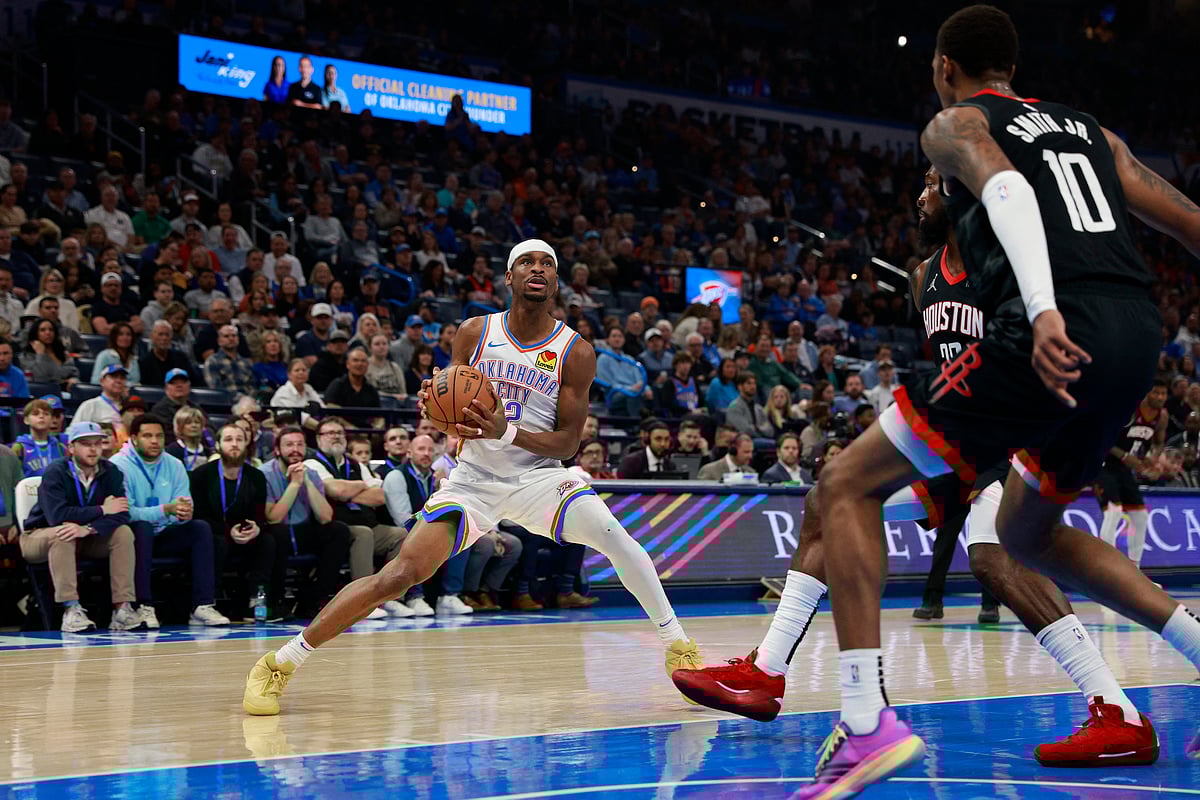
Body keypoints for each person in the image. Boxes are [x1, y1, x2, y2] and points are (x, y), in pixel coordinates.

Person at [766, 9, 1200, 791]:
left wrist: (1040, 309)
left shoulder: (955, 123)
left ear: (942, 66)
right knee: (1027, 529)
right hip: (1138, 332)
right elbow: (1188, 222)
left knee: (844, 484)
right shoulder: (1093, 134)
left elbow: (1004, 188)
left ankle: (864, 723)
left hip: (1050, 329)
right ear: (1013, 63)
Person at [244, 238, 703, 715]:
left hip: (541, 478)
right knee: (399, 574)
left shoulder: (576, 352)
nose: (537, 268)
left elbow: (568, 443)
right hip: (473, 481)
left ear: (556, 279)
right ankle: (279, 663)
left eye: (547, 263)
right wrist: (433, 402)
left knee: (616, 537)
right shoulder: (473, 332)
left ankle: (679, 646)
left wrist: (505, 431)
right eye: (526, 261)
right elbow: (450, 400)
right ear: (508, 277)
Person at [20, 421, 141, 633]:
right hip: (38, 535)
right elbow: (57, 515)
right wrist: (102, 510)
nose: (93, 449)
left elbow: (121, 513)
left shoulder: (111, 471)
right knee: (63, 532)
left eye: (98, 443)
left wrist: (89, 529)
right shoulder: (55, 471)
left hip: (85, 536)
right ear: (71, 448)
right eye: (85, 444)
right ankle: (71, 610)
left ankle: (122, 608)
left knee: (123, 533)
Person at [111, 414, 230, 629]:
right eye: (148, 436)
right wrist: (165, 510)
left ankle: (202, 605)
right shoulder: (118, 466)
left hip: (166, 532)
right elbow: (125, 514)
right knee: (142, 528)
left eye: (159, 436)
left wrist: (183, 513)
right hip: (131, 537)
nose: (155, 441)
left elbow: (184, 504)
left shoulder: (174, 464)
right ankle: (143, 605)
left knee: (200, 528)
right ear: (134, 438)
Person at [306, 417, 412, 618]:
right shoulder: (312, 463)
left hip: (368, 523)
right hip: (335, 528)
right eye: (330, 433)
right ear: (318, 439)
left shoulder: (354, 463)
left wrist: (346, 490)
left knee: (401, 535)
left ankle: (389, 598)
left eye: (339, 433)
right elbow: (334, 490)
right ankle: (363, 603)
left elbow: (380, 495)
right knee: (363, 534)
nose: (336, 436)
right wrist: (361, 485)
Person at [261, 426, 356, 619]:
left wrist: (307, 483)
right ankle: (277, 603)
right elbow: (273, 517)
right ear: (277, 450)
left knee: (338, 531)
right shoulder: (264, 473)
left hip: (304, 531)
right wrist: (295, 484)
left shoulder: (311, 473)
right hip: (276, 535)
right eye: (289, 445)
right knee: (277, 533)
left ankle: (312, 600)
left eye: (299, 444)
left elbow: (325, 517)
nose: (295, 449)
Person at [190, 425, 275, 619]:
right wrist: (228, 531)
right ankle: (210, 603)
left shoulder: (256, 476)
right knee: (216, 542)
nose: (234, 444)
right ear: (218, 445)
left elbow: (260, 514)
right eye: (228, 439)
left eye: (239, 439)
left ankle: (257, 601)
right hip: (216, 532)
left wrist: (256, 527)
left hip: (245, 532)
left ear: (247, 444)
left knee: (267, 540)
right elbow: (199, 515)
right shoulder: (202, 474)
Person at [1096, 381, 1168, 573]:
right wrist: (1126, 457)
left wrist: (1153, 459)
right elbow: (1102, 438)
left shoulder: (1162, 416)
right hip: (1101, 462)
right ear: (1147, 393)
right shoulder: (1131, 410)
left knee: (1141, 516)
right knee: (1114, 512)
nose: (1160, 397)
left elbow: (1158, 442)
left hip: (1123, 468)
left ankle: (1134, 570)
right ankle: (1108, 570)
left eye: (1163, 394)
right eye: (1156, 392)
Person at [12, 398, 65, 477]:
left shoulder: (61, 448)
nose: (41, 416)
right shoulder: (20, 447)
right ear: (26, 420)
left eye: (46, 414)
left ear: (51, 419)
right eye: (36, 414)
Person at [203, 325, 257, 397]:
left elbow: (253, 386)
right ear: (219, 341)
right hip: (225, 403)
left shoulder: (246, 362)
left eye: (234, 336)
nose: (231, 338)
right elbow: (215, 388)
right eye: (226, 336)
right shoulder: (212, 361)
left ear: (238, 339)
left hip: (248, 403)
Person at [270, 358, 323, 429]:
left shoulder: (308, 388)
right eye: (297, 370)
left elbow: (322, 407)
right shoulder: (283, 392)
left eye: (304, 370)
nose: (301, 373)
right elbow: (298, 416)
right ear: (289, 375)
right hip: (287, 428)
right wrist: (322, 427)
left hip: (308, 428)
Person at [73, 364, 129, 430]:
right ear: (102, 381)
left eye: (122, 378)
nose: (119, 381)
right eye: (114, 377)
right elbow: (73, 431)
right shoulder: (90, 405)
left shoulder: (130, 406)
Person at [724, 372, 772, 439]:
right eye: (749, 383)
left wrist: (756, 428)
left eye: (754, 383)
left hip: (760, 439)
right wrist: (761, 429)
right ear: (740, 387)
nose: (753, 386)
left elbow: (770, 431)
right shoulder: (734, 407)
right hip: (741, 442)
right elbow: (746, 430)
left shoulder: (759, 408)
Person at [165, 406, 212, 471]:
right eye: (188, 423)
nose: (194, 426)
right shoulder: (171, 450)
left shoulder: (207, 451)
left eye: (197, 422)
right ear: (179, 427)